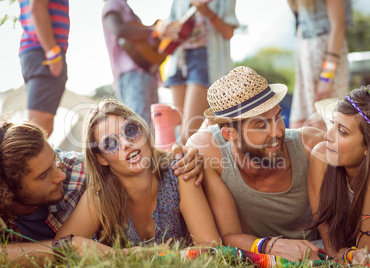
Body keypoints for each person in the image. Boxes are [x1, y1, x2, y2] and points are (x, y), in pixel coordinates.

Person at [0, 120, 204, 264]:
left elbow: (134, 163)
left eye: (54, 160)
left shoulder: (82, 174)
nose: (60, 175)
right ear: (6, 191)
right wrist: (67, 248)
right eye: (43, 175)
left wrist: (184, 156)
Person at [187, 66, 325, 262]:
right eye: (261, 125)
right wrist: (271, 246)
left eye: (278, 117)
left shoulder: (309, 146)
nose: (277, 132)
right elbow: (227, 235)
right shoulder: (209, 152)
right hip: (254, 256)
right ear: (229, 135)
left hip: (316, 252)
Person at [55, 99, 219, 249]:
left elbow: (210, 245)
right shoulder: (99, 196)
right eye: (110, 143)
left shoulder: (180, 170)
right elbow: (57, 250)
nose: (126, 143)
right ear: (101, 159)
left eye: (130, 130)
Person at [308, 84, 370, 264]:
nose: (327, 135)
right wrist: (350, 255)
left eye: (342, 131)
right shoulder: (321, 158)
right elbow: (331, 246)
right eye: (332, 124)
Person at [159, 0, 238, 144]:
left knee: (188, 133)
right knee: (181, 130)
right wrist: (166, 26)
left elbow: (228, 32)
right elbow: (165, 25)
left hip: (206, 61)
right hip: (179, 60)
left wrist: (208, 13)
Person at [287, 0, 353, 131]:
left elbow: (338, 26)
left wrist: (326, 77)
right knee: (300, 126)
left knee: (323, 123)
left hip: (326, 57)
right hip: (305, 58)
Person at [102, 0, 160, 125]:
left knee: (152, 126)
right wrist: (152, 31)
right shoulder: (113, 4)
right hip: (132, 74)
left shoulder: (124, 7)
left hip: (144, 72)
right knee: (140, 124)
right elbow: (119, 30)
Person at [18, 0, 70, 137]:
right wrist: (52, 53)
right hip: (43, 51)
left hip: (37, 51)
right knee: (37, 131)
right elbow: (37, 7)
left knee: (42, 128)